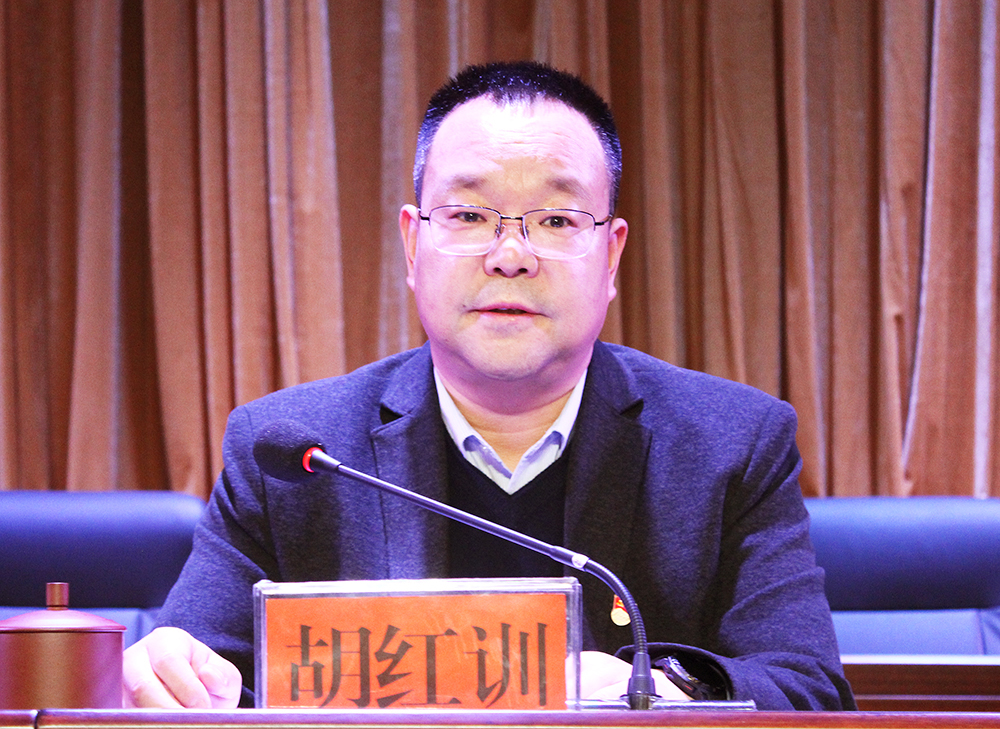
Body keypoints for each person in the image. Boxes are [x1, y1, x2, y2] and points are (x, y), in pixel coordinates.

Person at [122, 61, 855, 711]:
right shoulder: (295, 454)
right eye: (470, 215)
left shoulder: (732, 444)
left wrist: (657, 689)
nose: (510, 255)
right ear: (413, 242)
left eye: (556, 219)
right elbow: (196, 669)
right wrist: (168, 672)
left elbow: (809, 689)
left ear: (610, 255)